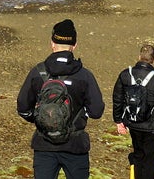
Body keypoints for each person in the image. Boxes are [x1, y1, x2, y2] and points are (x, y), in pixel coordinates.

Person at [17, 19, 105, 179]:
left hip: (44, 145)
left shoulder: (37, 73)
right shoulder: (84, 75)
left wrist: (42, 119)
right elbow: (97, 111)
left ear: (52, 43)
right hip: (76, 146)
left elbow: (23, 107)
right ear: (74, 45)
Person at [113, 44, 154, 179]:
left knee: (138, 155)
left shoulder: (126, 74)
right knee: (150, 160)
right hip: (153, 127)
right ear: (153, 59)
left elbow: (117, 98)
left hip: (133, 123)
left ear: (139, 57)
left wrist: (118, 120)